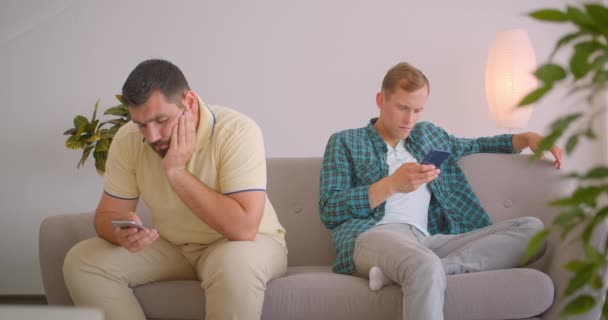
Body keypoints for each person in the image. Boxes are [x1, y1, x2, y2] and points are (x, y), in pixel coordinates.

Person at [318, 62, 562, 320]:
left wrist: (526, 138)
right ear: (381, 100)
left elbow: (476, 144)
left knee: (533, 230)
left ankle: (422, 271)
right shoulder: (345, 141)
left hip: (426, 241)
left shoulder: (429, 136)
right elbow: (329, 209)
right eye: (402, 108)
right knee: (422, 264)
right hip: (372, 236)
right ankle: (421, 269)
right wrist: (390, 185)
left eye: (417, 110)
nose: (409, 119)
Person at [63, 59, 287, 320]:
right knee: (83, 261)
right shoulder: (128, 139)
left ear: (189, 103)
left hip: (246, 243)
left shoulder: (237, 131)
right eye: (142, 124)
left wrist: (177, 172)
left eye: (161, 120)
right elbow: (106, 215)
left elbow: (243, 228)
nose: (152, 136)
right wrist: (118, 233)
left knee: (233, 265)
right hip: (173, 247)